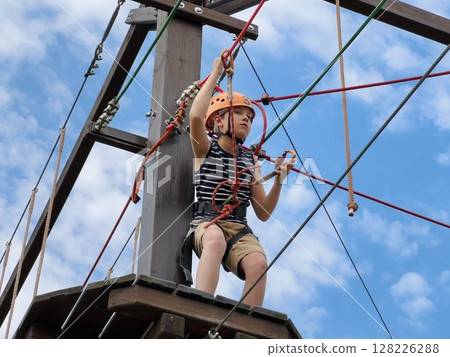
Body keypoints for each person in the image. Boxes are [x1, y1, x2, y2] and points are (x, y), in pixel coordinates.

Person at [185, 58, 291, 307]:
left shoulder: (249, 159)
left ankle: (246, 324)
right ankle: (201, 304)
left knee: (258, 263)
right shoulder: (205, 149)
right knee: (215, 241)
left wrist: (279, 180)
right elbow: (196, 117)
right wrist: (216, 74)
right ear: (218, 122)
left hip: (238, 226)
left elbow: (263, 212)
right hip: (208, 222)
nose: (246, 119)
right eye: (238, 113)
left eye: (249, 117)